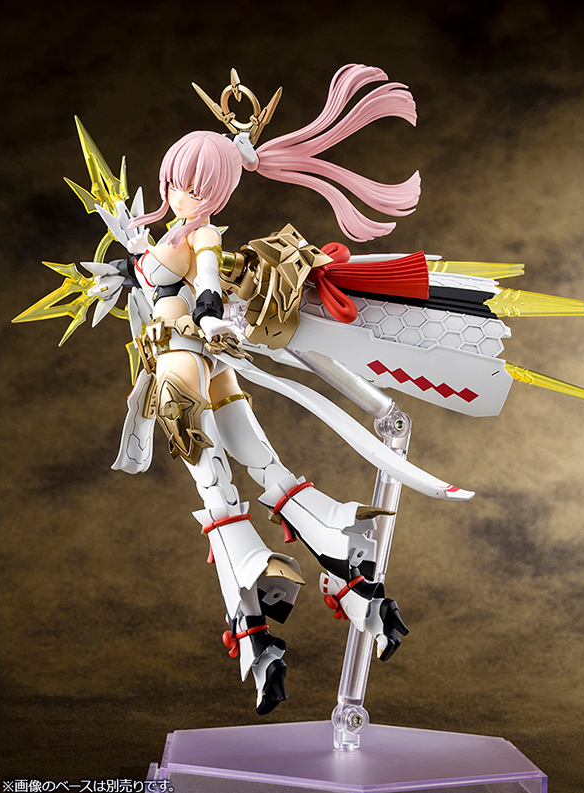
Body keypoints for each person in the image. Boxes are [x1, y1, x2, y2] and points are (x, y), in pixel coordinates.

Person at [108, 65, 421, 714]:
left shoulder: (201, 235)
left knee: (214, 483)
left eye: (190, 184)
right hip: (201, 362)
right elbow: (155, 273)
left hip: (182, 359)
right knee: (261, 463)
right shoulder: (176, 233)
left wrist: (208, 315)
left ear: (212, 190)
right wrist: (133, 252)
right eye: (176, 183)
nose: (179, 193)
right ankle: (355, 586)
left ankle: (260, 612)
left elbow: (206, 285)